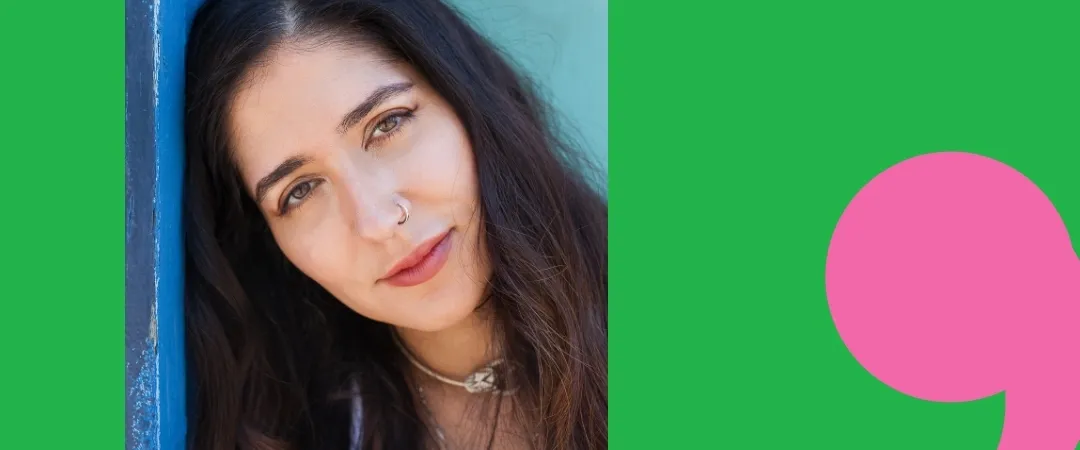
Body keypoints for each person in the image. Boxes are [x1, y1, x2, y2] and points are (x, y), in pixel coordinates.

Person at [182, 0, 607, 448]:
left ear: (465, 97)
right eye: (300, 191)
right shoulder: (308, 433)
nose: (379, 221)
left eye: (388, 123)